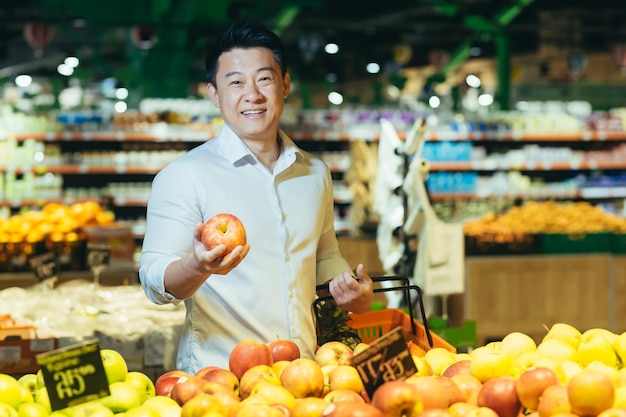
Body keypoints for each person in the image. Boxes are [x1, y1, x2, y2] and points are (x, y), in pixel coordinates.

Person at [139, 21, 374, 374]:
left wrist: (355, 293)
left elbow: (324, 256)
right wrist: (198, 266)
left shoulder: (314, 173)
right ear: (215, 95)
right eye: (235, 82)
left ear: (285, 85)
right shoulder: (184, 176)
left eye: (264, 79)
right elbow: (154, 280)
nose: (252, 94)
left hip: (303, 374)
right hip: (220, 382)